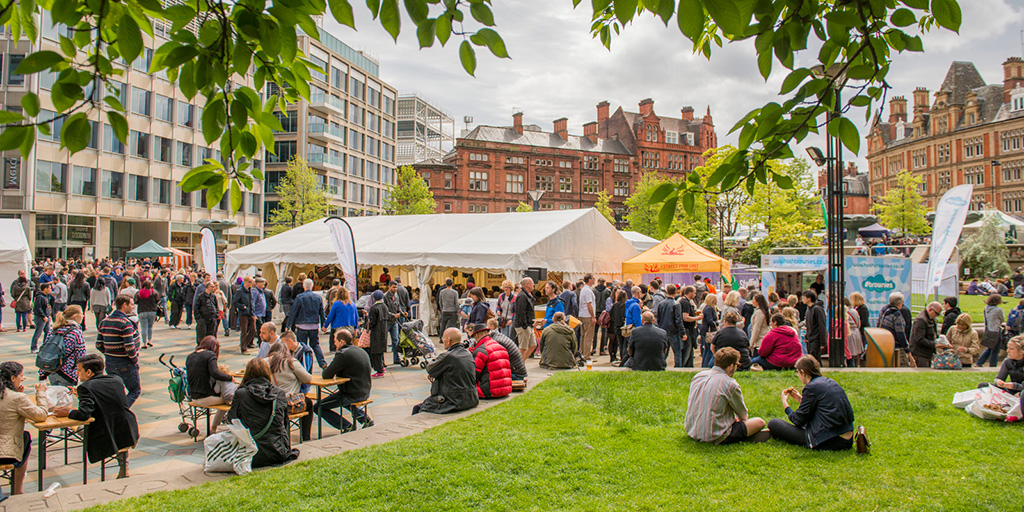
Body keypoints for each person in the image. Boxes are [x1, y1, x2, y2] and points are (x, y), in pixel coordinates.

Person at [53, 354, 140, 478]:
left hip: (105, 434)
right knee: (115, 426)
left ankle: (119, 464)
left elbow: (84, 414)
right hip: (128, 430)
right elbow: (104, 399)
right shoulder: (116, 380)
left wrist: (69, 412)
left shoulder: (85, 387)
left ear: (88, 372)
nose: (77, 373)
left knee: (77, 428)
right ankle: (124, 466)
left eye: (79, 370)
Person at [767, 355, 857, 451]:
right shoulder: (829, 382)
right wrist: (801, 400)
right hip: (847, 439)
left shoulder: (811, 388)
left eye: (797, 372)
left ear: (803, 372)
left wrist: (785, 404)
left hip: (831, 440)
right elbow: (822, 409)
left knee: (773, 423)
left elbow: (798, 420)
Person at [684, 347, 768, 445]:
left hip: (692, 430)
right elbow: (743, 415)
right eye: (737, 365)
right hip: (716, 435)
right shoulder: (730, 384)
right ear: (731, 366)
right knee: (759, 422)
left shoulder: (698, 376)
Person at [227, 358, 299, 467]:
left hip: (250, 454)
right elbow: (284, 422)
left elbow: (232, 419)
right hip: (277, 451)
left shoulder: (241, 394)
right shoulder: (279, 393)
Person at [0, 361, 50, 497]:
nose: (22, 379)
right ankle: (18, 489)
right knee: (25, 437)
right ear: (12, 378)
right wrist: (40, 393)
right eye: (21, 376)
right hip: (5, 454)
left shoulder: (13, 396)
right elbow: (41, 415)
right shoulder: (17, 398)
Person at [316, 329, 374, 432]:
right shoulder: (359, 350)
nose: (334, 344)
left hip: (352, 394)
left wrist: (324, 366)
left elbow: (326, 375)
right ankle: (366, 420)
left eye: (335, 341)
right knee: (345, 401)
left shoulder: (343, 354)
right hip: (365, 391)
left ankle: (346, 426)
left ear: (342, 342)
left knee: (318, 407)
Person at [413, 327, 480, 414]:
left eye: (443, 338)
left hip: (453, 401)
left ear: (449, 340)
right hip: (471, 398)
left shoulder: (448, 356)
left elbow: (430, 368)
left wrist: (435, 372)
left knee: (417, 408)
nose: (442, 340)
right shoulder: (467, 354)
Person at [96, 294, 141, 406]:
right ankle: (121, 411)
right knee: (135, 390)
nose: (133, 307)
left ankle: (115, 410)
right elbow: (129, 347)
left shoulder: (104, 321)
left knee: (117, 391)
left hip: (110, 362)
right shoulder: (125, 323)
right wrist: (134, 360)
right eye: (131, 304)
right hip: (125, 363)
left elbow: (99, 344)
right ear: (124, 305)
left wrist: (109, 353)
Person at [186, 336, 236, 433]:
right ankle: (216, 427)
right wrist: (230, 378)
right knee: (232, 399)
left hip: (194, 397)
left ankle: (214, 427)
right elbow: (215, 373)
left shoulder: (190, 356)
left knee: (227, 398)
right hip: (207, 398)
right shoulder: (210, 355)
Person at [266, 343, 313, 441]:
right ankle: (306, 436)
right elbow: (307, 378)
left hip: (270, 401)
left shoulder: (264, 362)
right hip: (289, 402)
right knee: (308, 403)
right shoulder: (290, 362)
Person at [41, 305, 87, 386]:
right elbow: (81, 355)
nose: (83, 316)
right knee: (65, 393)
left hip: (51, 368)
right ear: (75, 316)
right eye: (81, 314)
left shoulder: (54, 329)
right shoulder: (76, 332)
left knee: (55, 392)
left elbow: (45, 348)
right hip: (67, 372)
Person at [467, 323, 513, 398]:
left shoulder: (481, 350)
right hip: (506, 388)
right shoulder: (500, 346)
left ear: (477, 335)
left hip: (488, 391)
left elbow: (474, 375)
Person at [288, 279, 327, 367]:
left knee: (302, 346)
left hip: (302, 324)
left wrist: (289, 325)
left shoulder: (299, 297)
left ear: (303, 286)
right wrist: (323, 324)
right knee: (315, 345)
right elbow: (321, 312)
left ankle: (302, 364)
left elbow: (294, 312)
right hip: (314, 325)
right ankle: (322, 363)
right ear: (312, 286)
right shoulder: (318, 298)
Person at [656, 284, 683, 368]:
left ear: (666, 291)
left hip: (663, 330)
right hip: (674, 331)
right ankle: (678, 368)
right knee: (677, 352)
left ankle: (661, 366)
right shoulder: (676, 304)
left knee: (664, 352)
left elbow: (658, 318)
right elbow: (678, 320)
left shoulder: (661, 304)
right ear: (675, 292)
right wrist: (682, 332)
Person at [909, 302, 944, 368]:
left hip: (927, 353)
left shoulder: (931, 319)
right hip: (920, 353)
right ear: (930, 310)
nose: (937, 316)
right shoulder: (921, 320)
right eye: (937, 313)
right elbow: (919, 338)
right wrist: (935, 344)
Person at [324, 287, 359, 352]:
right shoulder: (352, 304)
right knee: (348, 342)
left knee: (340, 343)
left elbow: (330, 316)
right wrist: (356, 328)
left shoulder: (336, 304)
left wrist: (325, 326)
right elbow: (356, 316)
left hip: (339, 327)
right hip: (350, 326)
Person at [365, 290, 390, 377]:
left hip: (376, 332)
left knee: (375, 352)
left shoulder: (374, 308)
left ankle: (379, 370)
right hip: (384, 331)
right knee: (380, 351)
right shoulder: (385, 307)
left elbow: (372, 322)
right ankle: (382, 367)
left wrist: (367, 327)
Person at [978, 293, 1005, 368]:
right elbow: (1002, 319)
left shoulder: (986, 308)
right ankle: (992, 365)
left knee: (990, 347)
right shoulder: (998, 310)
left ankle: (979, 362)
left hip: (989, 330)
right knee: (995, 350)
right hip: (996, 330)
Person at [513, 277, 537, 360]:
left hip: (528, 324)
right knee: (523, 348)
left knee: (533, 345)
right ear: (527, 285)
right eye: (532, 283)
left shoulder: (527, 295)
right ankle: (520, 365)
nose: (533, 285)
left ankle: (521, 363)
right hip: (523, 325)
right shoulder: (522, 296)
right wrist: (524, 325)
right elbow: (520, 312)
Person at [232, 276, 257, 354]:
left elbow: (252, 302)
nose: (251, 283)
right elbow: (235, 302)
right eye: (250, 282)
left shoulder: (250, 291)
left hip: (250, 313)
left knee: (253, 330)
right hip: (243, 314)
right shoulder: (240, 291)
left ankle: (244, 343)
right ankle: (243, 348)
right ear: (245, 282)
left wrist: (253, 312)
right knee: (244, 331)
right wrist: (242, 307)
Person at [679, 286, 702, 368]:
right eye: (694, 293)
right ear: (690, 293)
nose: (695, 295)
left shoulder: (683, 301)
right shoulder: (685, 303)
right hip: (687, 330)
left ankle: (688, 367)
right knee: (687, 351)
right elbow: (685, 317)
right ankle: (683, 367)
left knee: (689, 352)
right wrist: (698, 318)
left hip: (688, 329)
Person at [133, 281, 159, 349]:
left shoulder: (139, 293)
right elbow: (158, 300)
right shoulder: (154, 292)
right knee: (150, 327)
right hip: (152, 311)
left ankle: (144, 343)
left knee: (143, 327)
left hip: (142, 311)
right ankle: (149, 340)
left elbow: (135, 301)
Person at [384, 281, 405, 365]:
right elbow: (385, 310)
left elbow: (398, 307)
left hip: (394, 322)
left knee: (395, 340)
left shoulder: (396, 296)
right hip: (387, 321)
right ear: (389, 287)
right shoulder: (385, 297)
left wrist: (402, 313)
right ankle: (382, 361)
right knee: (384, 341)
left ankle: (396, 358)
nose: (395, 289)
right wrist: (393, 315)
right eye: (393, 287)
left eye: (396, 287)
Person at [802, 291, 827, 363]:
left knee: (815, 358)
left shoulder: (817, 309)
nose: (803, 299)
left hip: (816, 338)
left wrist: (823, 342)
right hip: (811, 338)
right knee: (813, 358)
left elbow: (822, 325)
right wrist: (807, 336)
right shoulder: (808, 310)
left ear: (809, 298)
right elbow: (808, 325)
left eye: (804, 297)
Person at [577, 274, 597, 357]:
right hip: (587, 315)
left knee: (583, 336)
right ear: (589, 280)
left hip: (582, 314)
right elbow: (589, 304)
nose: (594, 280)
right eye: (593, 278)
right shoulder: (588, 290)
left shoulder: (583, 289)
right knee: (588, 336)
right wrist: (593, 316)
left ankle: (582, 353)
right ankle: (586, 355)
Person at [31, 282, 53, 353]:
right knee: (38, 332)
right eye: (49, 288)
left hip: (46, 316)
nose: (50, 290)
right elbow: (37, 308)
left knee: (48, 331)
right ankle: (33, 347)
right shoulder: (40, 297)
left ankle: (45, 346)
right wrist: (43, 316)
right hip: (41, 317)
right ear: (45, 289)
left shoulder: (45, 296)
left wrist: (48, 315)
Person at [844, 298, 865, 367]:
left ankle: (851, 367)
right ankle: (855, 367)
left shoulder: (843, 311)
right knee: (855, 354)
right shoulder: (854, 311)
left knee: (849, 355)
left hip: (848, 333)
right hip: (856, 333)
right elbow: (858, 323)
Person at [699, 294, 719, 368]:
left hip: (706, 331)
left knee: (706, 350)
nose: (716, 301)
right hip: (709, 332)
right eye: (715, 300)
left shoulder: (708, 308)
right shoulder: (709, 309)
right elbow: (709, 321)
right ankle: (707, 365)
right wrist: (717, 323)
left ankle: (705, 365)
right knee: (709, 350)